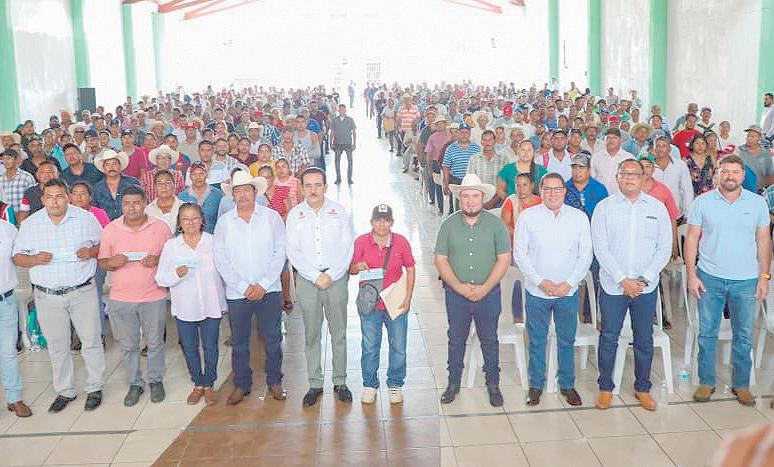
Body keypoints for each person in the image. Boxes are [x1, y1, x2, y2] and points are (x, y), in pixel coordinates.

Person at [684, 155, 771, 407]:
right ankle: (706, 382)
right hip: (709, 277)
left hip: (746, 280)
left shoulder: (757, 203)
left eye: (735, 172)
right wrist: (691, 274)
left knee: (743, 335)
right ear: (717, 174)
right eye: (725, 171)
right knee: (707, 333)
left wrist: (764, 276)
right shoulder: (702, 202)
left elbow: (764, 240)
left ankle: (741, 385)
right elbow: (692, 238)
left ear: (743, 175)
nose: (730, 176)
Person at [12, 179, 105, 413]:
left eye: (60, 196)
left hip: (82, 291)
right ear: (43, 199)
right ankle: (65, 390)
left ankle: (95, 387)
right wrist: (35, 259)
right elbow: (18, 257)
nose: (55, 202)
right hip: (47, 296)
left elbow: (104, 245)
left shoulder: (85, 219)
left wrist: (91, 251)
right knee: (57, 345)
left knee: (91, 341)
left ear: (68, 197)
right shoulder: (31, 224)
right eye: (49, 197)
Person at [591, 159, 672, 411]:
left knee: (644, 339)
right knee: (609, 337)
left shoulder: (657, 208)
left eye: (634, 174)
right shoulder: (604, 208)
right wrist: (622, 279)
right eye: (624, 173)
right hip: (613, 285)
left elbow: (664, 248)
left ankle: (642, 388)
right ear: (617, 177)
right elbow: (600, 248)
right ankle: (606, 387)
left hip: (644, 287)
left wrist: (643, 279)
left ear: (643, 177)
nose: (628, 178)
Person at [514, 173, 592, 406]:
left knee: (566, 339)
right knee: (537, 340)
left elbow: (585, 255)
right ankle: (536, 385)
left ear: (565, 191)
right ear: (541, 191)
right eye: (547, 189)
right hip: (537, 292)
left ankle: (567, 384)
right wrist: (541, 282)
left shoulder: (579, 218)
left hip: (567, 292)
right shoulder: (528, 217)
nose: (552, 193)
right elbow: (520, 254)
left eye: (557, 189)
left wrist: (569, 283)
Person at [434, 174, 510, 407]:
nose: (470, 201)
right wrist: (458, 287)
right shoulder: (448, 225)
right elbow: (440, 259)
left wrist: (484, 288)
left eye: (474, 196)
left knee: (489, 339)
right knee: (456, 339)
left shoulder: (496, 225)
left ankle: (493, 384)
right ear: (459, 198)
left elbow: (504, 259)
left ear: (483, 197)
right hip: (456, 295)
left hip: (489, 295)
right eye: (465, 196)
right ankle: (453, 383)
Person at [214, 172, 288, 405]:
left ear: (255, 192)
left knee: (273, 338)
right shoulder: (224, 222)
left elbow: (280, 252)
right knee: (239, 342)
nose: (243, 195)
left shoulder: (271, 218)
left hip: (269, 290)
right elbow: (220, 258)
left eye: (247, 189)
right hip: (238, 294)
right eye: (238, 191)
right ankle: (241, 384)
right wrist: (242, 286)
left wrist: (263, 284)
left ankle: (274, 380)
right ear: (232, 195)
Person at [286, 168, 355, 407]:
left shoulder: (339, 212)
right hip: (308, 281)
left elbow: (348, 247)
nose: (313, 190)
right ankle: (315, 383)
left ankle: (340, 381)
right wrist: (315, 275)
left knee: (339, 332)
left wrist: (331, 274)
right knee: (312, 333)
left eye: (317, 185)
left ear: (325, 187)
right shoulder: (295, 215)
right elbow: (292, 251)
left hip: (336, 279)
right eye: (308, 185)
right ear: (302, 188)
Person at [98, 185, 172, 407]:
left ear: (145, 203)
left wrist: (158, 260)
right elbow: (102, 262)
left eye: (136, 203)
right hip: (121, 298)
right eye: (127, 204)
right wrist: (112, 262)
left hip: (153, 295)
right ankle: (134, 383)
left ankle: (156, 380)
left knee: (155, 342)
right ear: (121, 205)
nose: (131, 208)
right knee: (128, 344)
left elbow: (172, 257)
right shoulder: (111, 230)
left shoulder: (160, 228)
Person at [156, 203, 226, 406]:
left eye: (195, 218)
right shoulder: (172, 246)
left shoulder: (213, 242)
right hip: (185, 307)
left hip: (211, 304)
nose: (190, 222)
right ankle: (198, 383)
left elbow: (225, 273)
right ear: (179, 223)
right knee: (189, 347)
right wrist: (175, 274)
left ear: (202, 220)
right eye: (185, 219)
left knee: (211, 346)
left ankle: (209, 383)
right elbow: (160, 278)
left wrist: (224, 303)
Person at [350, 204, 416, 405]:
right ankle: (370, 384)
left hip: (395, 302)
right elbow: (350, 269)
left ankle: (395, 383)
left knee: (399, 345)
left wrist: (408, 298)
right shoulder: (361, 242)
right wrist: (357, 266)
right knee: (370, 345)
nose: (381, 224)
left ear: (392, 223)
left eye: (386, 220)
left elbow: (411, 268)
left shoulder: (401, 242)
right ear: (371, 222)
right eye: (378, 220)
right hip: (370, 305)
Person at [0, 218, 31, 417]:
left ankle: (14, 398)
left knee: (8, 352)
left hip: (6, 301)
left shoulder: (8, 229)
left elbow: (21, 256)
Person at [92, 150, 141, 220]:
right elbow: (95, 211)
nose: (111, 167)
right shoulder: (97, 188)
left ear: (120, 166)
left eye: (114, 164)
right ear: (103, 168)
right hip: (107, 225)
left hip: (131, 223)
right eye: (107, 165)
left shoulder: (132, 183)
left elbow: (142, 204)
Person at [178, 161, 224, 234]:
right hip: (189, 237)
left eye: (201, 173)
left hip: (212, 237)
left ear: (206, 175)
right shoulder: (182, 196)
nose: (198, 177)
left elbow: (222, 219)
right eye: (194, 174)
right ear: (190, 177)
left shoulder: (218, 194)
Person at [590, 128, 634, 194]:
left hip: (620, 197)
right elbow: (591, 178)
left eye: (614, 138)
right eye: (608, 138)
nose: (611, 141)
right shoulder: (596, 157)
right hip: (598, 195)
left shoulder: (629, 158)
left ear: (620, 140)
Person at [735, 124, 773, 191]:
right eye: (748, 135)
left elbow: (770, 175)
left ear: (759, 138)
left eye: (753, 136)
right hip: (741, 191)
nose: (749, 138)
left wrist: (768, 191)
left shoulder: (766, 153)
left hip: (759, 191)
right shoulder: (738, 151)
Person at [0, 148, 36, 215]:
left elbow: (33, 198)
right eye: (3, 159)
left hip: (23, 216)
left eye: (8, 158)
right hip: (5, 217)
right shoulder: (1, 179)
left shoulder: (26, 177)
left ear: (16, 160)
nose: (5, 161)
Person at [329, 104, 357, 184]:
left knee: (350, 161)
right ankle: (338, 178)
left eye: (343, 109)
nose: (341, 111)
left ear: (345, 110)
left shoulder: (350, 119)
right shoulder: (334, 120)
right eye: (340, 109)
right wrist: (330, 143)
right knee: (337, 161)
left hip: (348, 143)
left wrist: (354, 144)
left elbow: (354, 132)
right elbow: (332, 132)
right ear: (338, 110)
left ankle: (349, 178)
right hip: (337, 143)